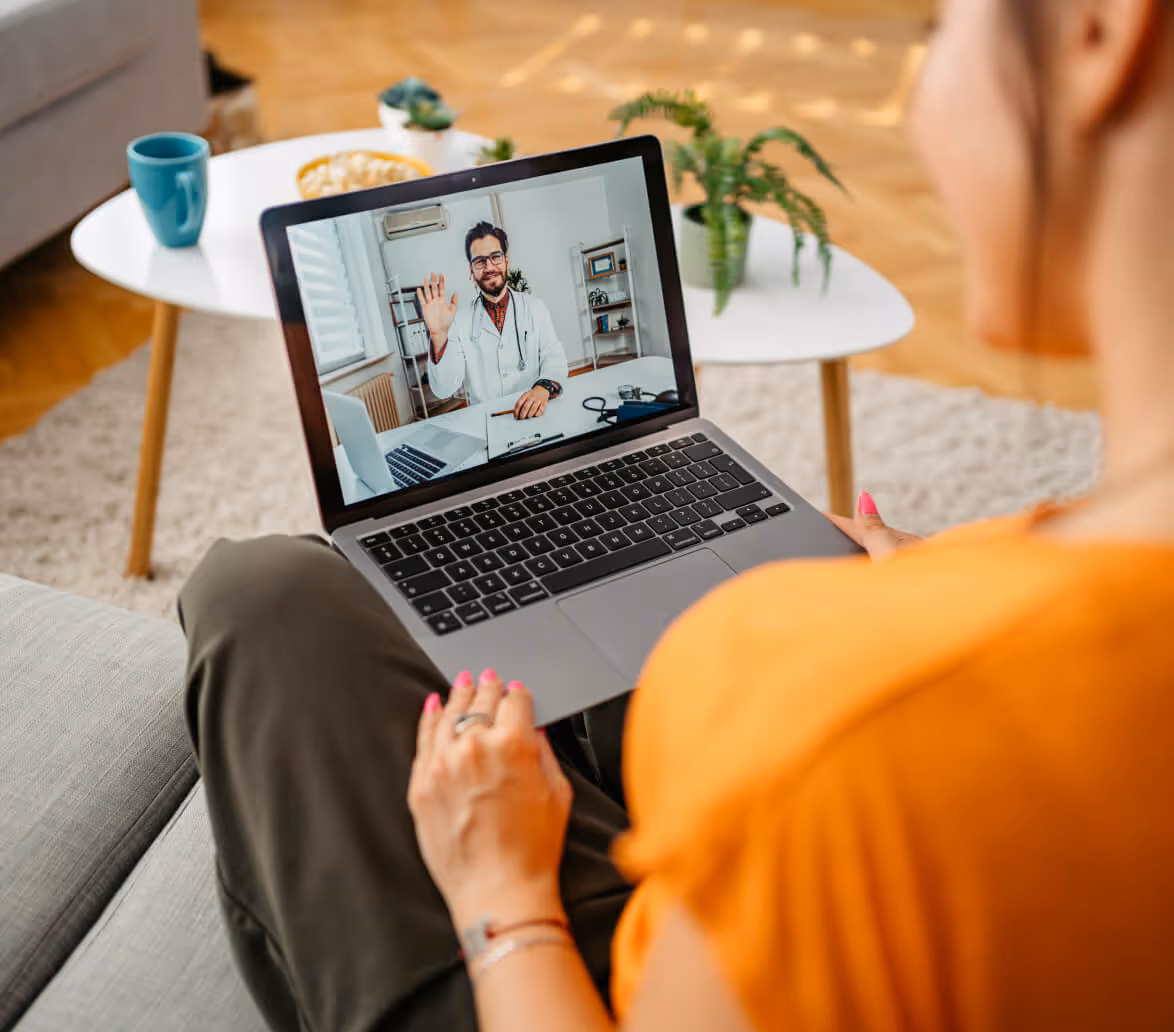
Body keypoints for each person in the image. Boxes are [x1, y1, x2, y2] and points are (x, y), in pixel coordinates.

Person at [180, 0, 1174, 1028]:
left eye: (936, 30)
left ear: (1101, 31)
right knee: (523, 638)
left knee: (255, 593)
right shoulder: (1052, 597)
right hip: (755, 790)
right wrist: (944, 585)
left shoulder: (857, 742)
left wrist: (501, 897)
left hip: (573, 983)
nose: (923, 96)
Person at [418, 221, 569, 419]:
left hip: (535, 413)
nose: (489, 267)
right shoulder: (458, 322)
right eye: (480, 261)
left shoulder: (535, 307)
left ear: (506, 261)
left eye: (495, 257)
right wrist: (438, 337)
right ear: (472, 270)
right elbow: (444, 388)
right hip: (486, 421)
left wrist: (542, 388)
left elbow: (554, 359)